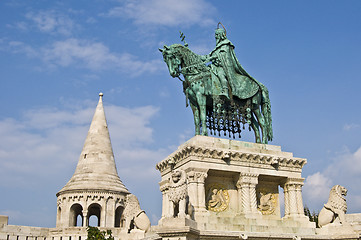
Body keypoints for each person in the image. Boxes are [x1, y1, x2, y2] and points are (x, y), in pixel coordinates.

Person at [206, 27, 260, 100]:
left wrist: (214, 57)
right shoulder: (217, 48)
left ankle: (225, 91)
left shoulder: (226, 45)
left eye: (217, 35)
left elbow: (225, 57)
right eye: (215, 35)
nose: (215, 37)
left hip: (223, 67)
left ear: (221, 35)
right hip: (214, 66)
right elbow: (208, 56)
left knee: (220, 74)